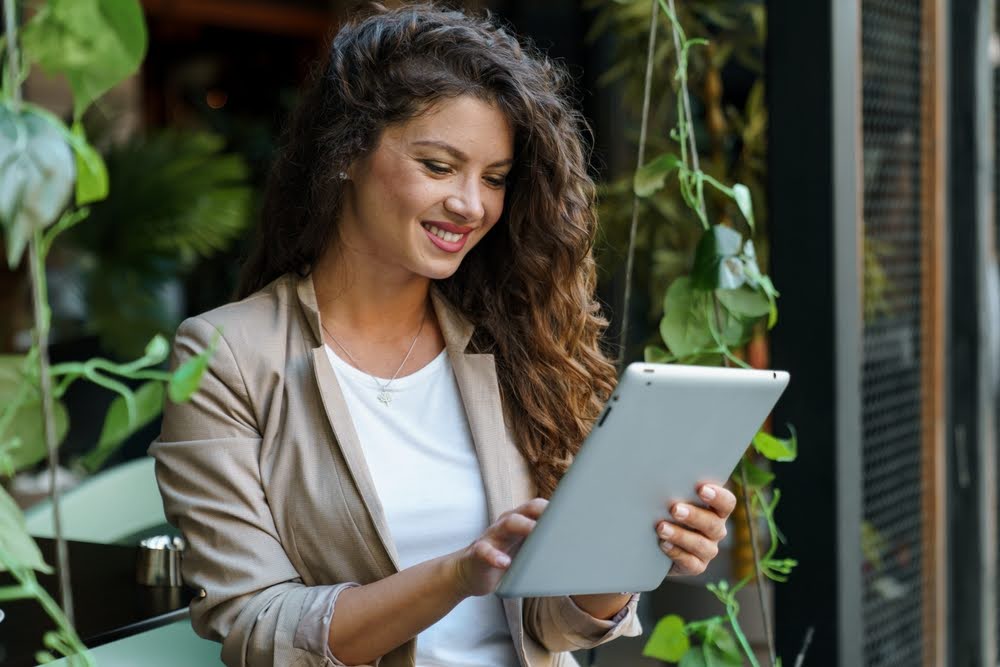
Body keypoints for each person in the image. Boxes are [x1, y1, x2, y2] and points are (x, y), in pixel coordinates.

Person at [150, 4, 736, 666]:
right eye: (437, 165)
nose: (471, 204)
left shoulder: (511, 340)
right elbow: (255, 626)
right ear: (346, 153)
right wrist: (455, 575)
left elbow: (554, 622)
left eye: (494, 178)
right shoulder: (229, 355)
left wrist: (632, 548)